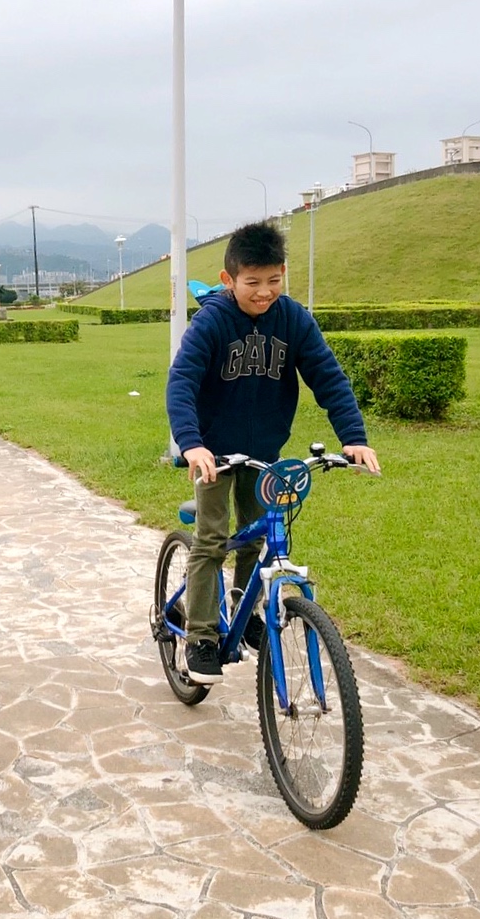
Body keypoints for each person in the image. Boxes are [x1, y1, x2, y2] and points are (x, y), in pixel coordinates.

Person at [165, 222, 380, 685]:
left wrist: (354, 436)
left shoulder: (295, 319)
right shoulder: (212, 323)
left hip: (264, 451)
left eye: (274, 281)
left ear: (283, 274)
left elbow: (328, 377)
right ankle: (200, 637)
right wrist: (192, 443)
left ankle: (245, 612)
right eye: (252, 283)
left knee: (259, 538)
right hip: (215, 454)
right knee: (212, 539)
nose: (264, 293)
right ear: (228, 280)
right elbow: (181, 382)